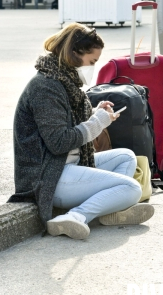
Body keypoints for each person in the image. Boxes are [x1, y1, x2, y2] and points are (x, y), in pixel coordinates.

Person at [8, 23, 154, 239]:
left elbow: (66, 121)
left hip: (66, 166)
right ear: (74, 53)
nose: (93, 67)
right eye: (92, 61)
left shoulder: (64, 81)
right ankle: (76, 216)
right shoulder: (46, 87)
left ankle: (112, 208)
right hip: (47, 177)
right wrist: (98, 122)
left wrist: (96, 113)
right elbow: (58, 141)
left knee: (126, 157)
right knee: (132, 188)